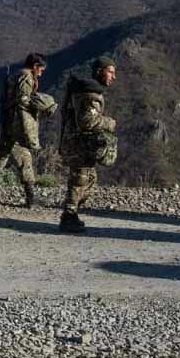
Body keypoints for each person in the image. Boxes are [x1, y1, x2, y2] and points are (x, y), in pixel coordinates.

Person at [0, 53, 55, 210]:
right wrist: (44, 103)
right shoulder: (26, 76)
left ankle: (31, 197)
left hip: (9, 124)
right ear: (35, 66)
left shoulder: (16, 75)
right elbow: (23, 100)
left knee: (23, 159)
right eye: (40, 70)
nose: (41, 73)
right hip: (15, 126)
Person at [58, 56, 118, 233]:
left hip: (77, 142)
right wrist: (109, 123)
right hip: (80, 144)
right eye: (110, 72)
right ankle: (68, 217)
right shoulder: (90, 94)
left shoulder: (85, 90)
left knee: (88, 179)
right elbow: (87, 121)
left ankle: (71, 214)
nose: (113, 77)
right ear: (100, 71)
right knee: (80, 179)